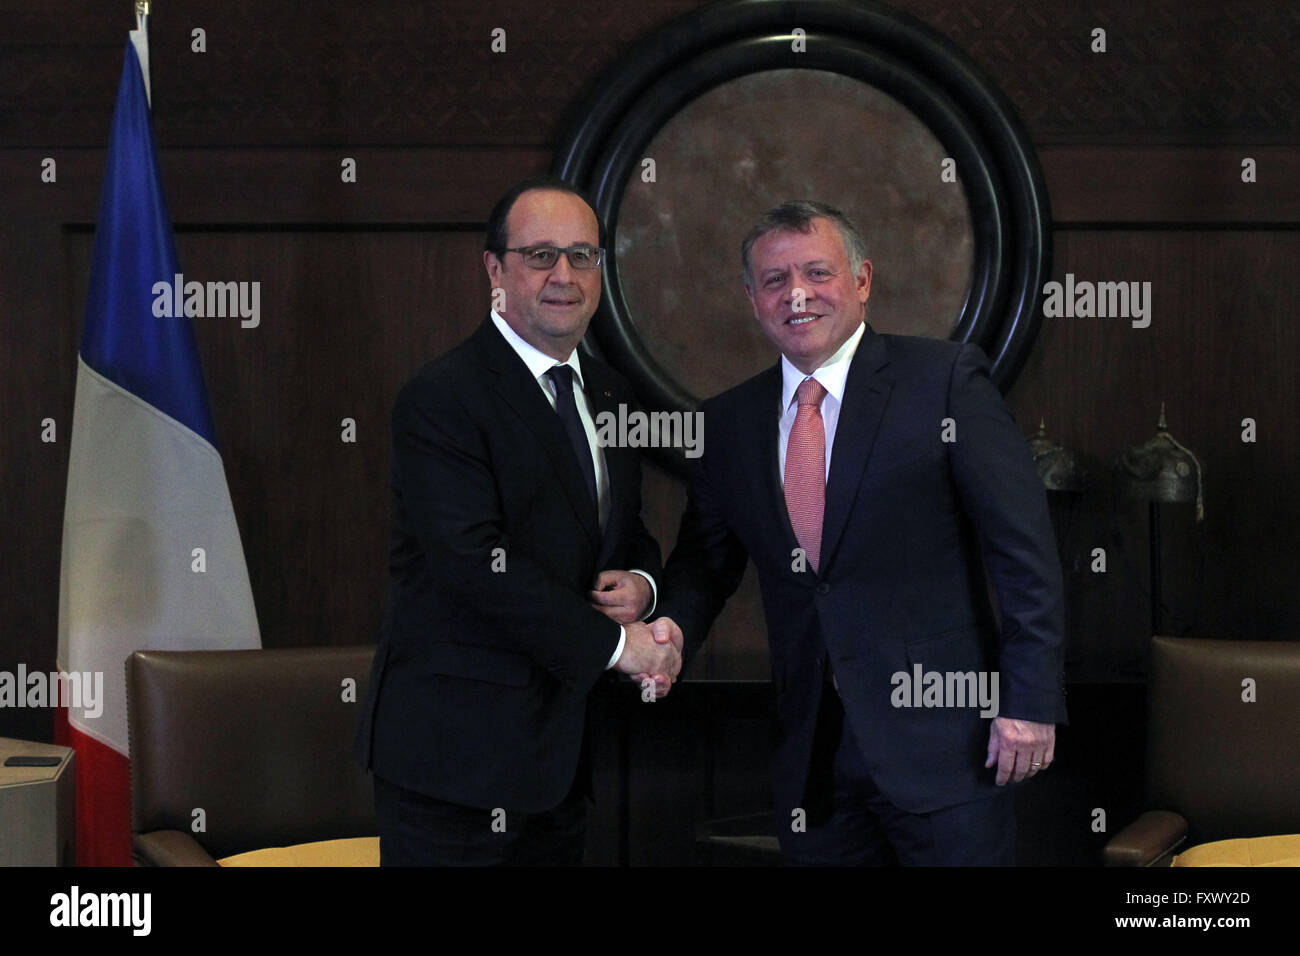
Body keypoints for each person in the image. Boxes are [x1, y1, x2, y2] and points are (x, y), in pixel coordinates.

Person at [657, 200, 1066, 865]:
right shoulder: (728, 423)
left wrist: (1031, 699)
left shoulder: (945, 382)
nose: (797, 294)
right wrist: (672, 626)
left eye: (817, 272)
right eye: (774, 280)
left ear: (862, 280)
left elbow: (1025, 555)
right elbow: (705, 563)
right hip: (813, 761)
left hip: (951, 748)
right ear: (752, 297)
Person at [355, 176, 682, 866]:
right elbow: (473, 561)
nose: (563, 275)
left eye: (582, 256)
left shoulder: (609, 392)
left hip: (561, 755)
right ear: (494, 269)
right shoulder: (443, 397)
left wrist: (643, 585)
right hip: (455, 764)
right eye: (539, 256)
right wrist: (622, 649)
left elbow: (627, 533)